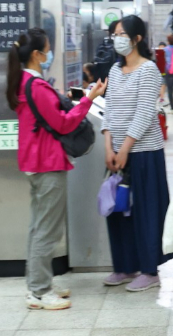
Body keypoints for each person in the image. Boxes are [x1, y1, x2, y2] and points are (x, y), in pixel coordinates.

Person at [8, 28, 107, 309]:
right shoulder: (35, 86)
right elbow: (63, 123)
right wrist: (87, 100)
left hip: (34, 160)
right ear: (37, 55)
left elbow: (54, 107)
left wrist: (77, 96)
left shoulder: (24, 81)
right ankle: (39, 291)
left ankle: (38, 284)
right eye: (48, 49)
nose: (50, 54)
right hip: (46, 162)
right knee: (47, 230)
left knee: (38, 226)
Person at [102, 15, 173, 292]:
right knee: (118, 210)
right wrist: (109, 147)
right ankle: (124, 266)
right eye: (115, 34)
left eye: (122, 34)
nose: (117, 38)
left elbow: (145, 113)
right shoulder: (114, 71)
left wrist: (126, 149)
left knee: (145, 211)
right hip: (117, 155)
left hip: (143, 153)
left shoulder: (149, 70)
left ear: (137, 39)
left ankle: (149, 269)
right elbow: (108, 111)